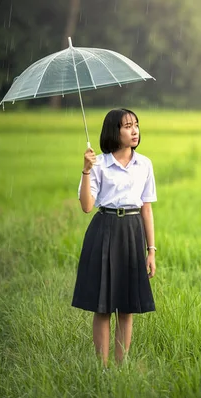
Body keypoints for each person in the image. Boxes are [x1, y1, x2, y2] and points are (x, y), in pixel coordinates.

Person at [72, 108, 157, 367]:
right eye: (127, 126)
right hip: (104, 229)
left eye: (136, 125)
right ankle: (102, 368)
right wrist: (86, 171)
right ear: (114, 131)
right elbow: (87, 206)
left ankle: (121, 368)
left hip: (132, 231)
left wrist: (151, 250)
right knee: (103, 306)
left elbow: (146, 207)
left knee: (127, 305)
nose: (134, 131)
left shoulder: (144, 164)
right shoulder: (99, 164)